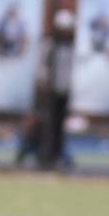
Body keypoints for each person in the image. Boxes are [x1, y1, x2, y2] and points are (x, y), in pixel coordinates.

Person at [35, 9, 75, 170]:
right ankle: (45, 156)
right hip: (51, 90)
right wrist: (42, 84)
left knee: (60, 125)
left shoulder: (74, 46)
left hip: (66, 91)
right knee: (48, 125)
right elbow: (42, 67)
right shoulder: (50, 45)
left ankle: (58, 155)